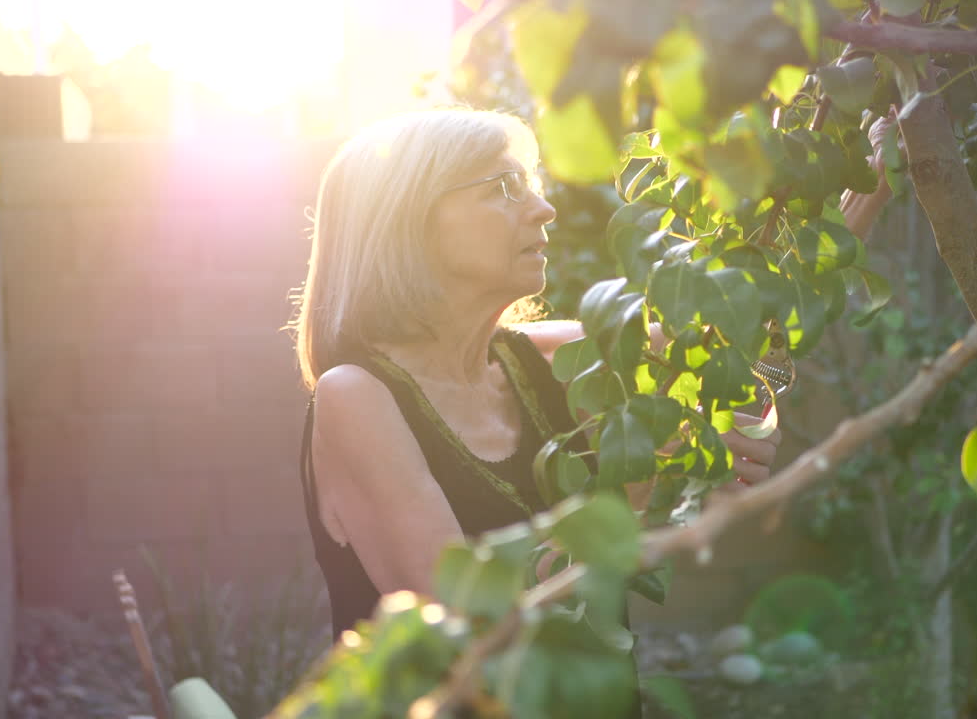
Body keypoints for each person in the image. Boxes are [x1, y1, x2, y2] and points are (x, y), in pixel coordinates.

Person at [290, 107, 888, 712]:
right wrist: (639, 492)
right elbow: (472, 632)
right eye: (503, 187)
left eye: (531, 183)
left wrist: (861, 189)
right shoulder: (355, 397)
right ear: (406, 220)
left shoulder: (539, 359)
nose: (543, 209)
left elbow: (743, 334)